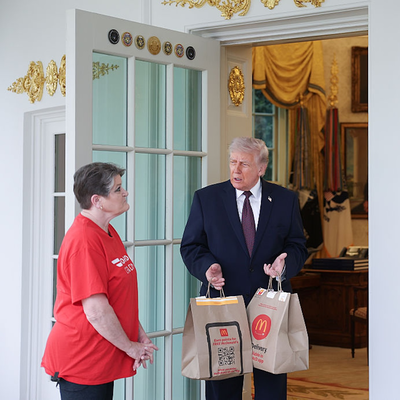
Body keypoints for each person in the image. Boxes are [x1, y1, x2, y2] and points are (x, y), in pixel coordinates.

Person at [180, 137, 308, 400]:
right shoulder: (207, 198)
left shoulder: (285, 199)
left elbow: (297, 245)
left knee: (271, 388)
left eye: (244, 164)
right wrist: (207, 268)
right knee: (223, 389)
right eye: (232, 162)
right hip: (223, 303)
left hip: (270, 306)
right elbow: (191, 246)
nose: (236, 170)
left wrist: (284, 266)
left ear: (261, 168)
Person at [41, 162, 158, 400]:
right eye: (118, 189)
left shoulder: (107, 231)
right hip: (83, 359)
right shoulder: (84, 240)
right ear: (97, 201)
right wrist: (130, 347)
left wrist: (137, 334)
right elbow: (96, 311)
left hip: (101, 356)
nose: (125, 192)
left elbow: (118, 297)